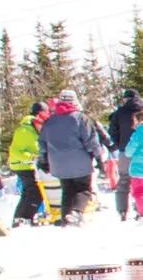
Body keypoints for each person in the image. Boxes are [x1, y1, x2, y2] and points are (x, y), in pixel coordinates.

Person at [36, 88, 107, 224]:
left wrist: (44, 160)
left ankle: (65, 219)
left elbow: (42, 143)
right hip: (80, 162)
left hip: (58, 164)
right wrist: (98, 159)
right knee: (84, 189)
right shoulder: (81, 118)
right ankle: (76, 213)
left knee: (67, 191)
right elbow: (91, 141)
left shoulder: (50, 121)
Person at [108, 86, 143, 220]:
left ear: (126, 99)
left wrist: (119, 143)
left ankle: (122, 211)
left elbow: (112, 131)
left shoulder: (119, 113)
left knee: (124, 180)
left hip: (125, 151)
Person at [5, 102, 46, 225]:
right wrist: (32, 157)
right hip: (23, 164)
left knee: (31, 192)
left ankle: (22, 218)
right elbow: (15, 151)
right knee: (34, 192)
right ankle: (23, 217)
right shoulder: (25, 129)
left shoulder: (33, 127)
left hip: (27, 164)